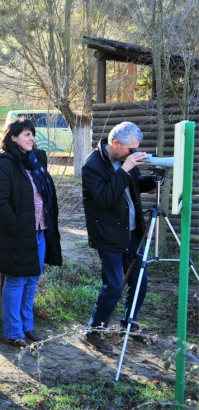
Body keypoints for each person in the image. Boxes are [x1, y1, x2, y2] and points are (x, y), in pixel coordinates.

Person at [81, 121, 156, 353]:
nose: (133, 153)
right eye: (130, 149)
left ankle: (129, 324)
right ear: (116, 144)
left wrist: (153, 180)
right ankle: (94, 331)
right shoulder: (92, 166)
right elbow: (105, 198)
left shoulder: (125, 161)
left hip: (131, 231)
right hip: (108, 234)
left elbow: (131, 186)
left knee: (139, 280)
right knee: (113, 285)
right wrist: (125, 170)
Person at [0, 118, 62, 349]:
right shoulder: (4, 163)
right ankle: (12, 332)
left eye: (32, 134)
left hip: (39, 231)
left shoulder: (36, 160)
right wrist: (16, 228)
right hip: (17, 234)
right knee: (16, 280)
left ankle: (27, 326)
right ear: (13, 137)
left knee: (32, 278)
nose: (31, 138)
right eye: (26, 134)